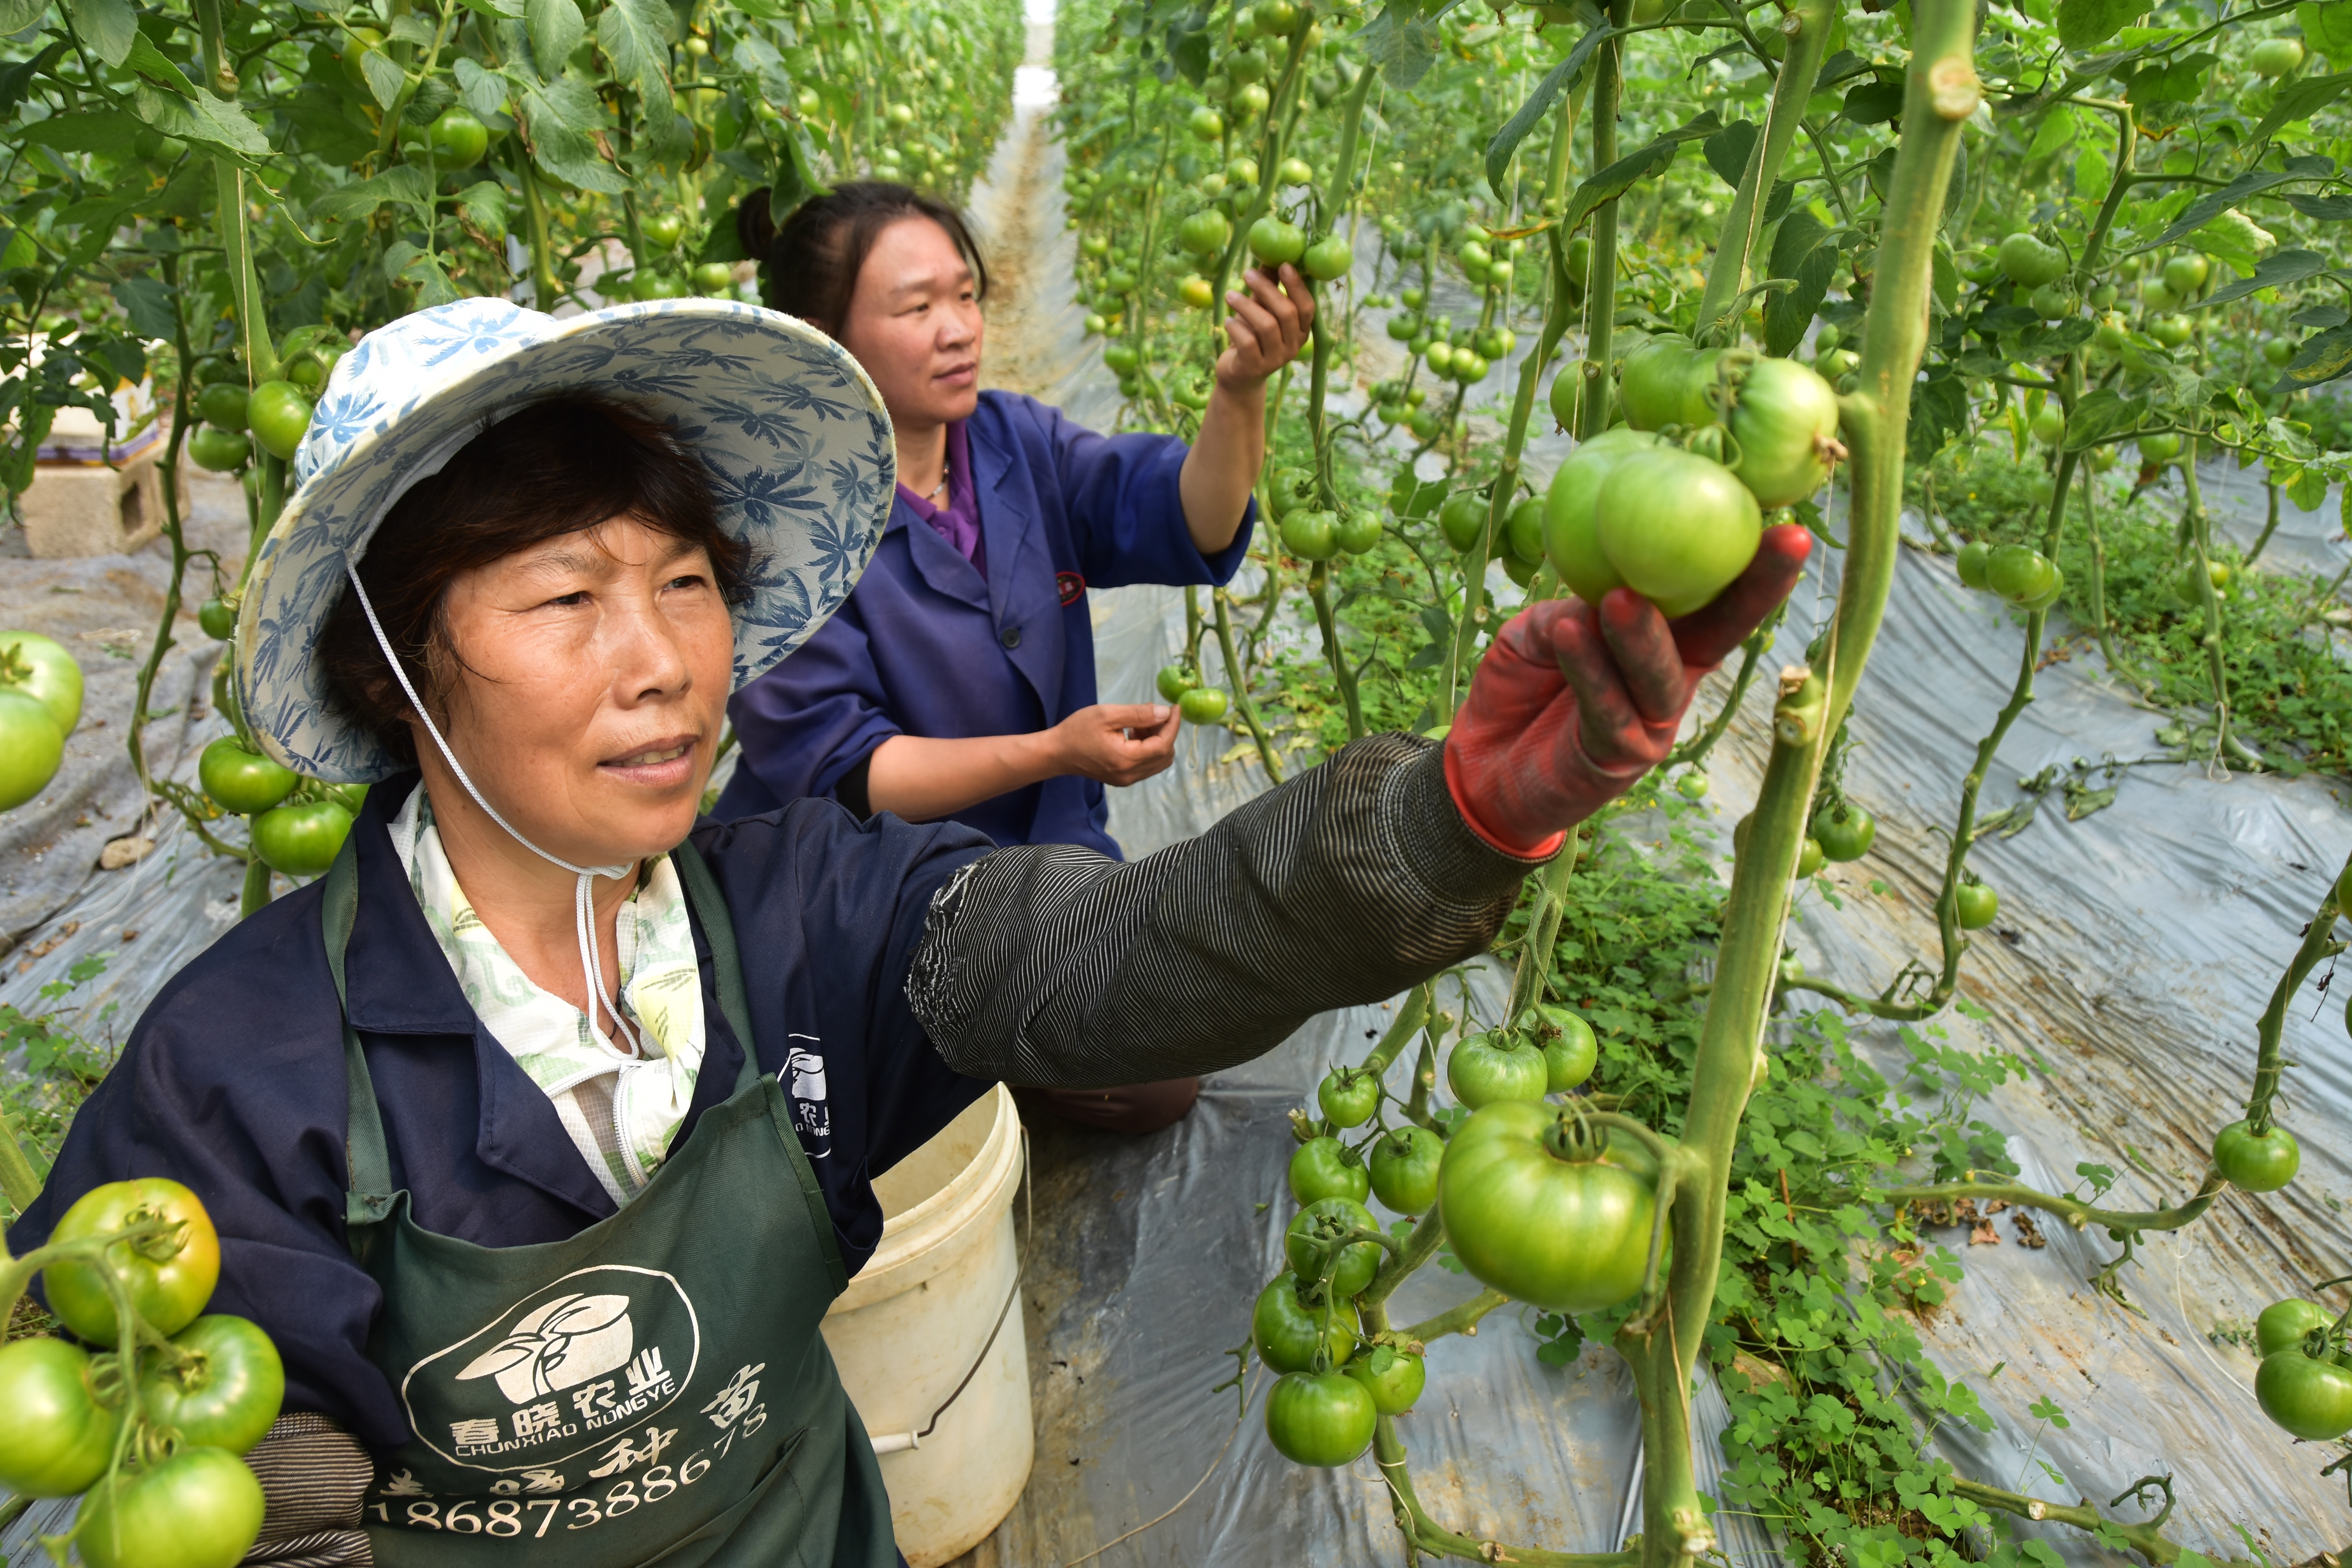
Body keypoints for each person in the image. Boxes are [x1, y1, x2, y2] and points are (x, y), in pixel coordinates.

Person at [8, 294, 1807, 1568]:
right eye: (566, 596)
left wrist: (1452, 815)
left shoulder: (799, 911)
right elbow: (264, 1504)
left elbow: (1107, 960)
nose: (664, 662)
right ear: (386, 670)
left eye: (689, 583)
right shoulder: (237, 1079)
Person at [712, 183, 1311, 1135]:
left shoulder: (1012, 441)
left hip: (1040, 853)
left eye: (966, 295)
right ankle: (921, 1047)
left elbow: (1182, 513)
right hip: (870, 881)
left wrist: (1240, 389)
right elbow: (851, 774)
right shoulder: (785, 524)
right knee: (839, 1092)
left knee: (1161, 1071)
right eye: (917, 307)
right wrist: (1054, 751)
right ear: (826, 338)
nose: (959, 329)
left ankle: (958, 1049)